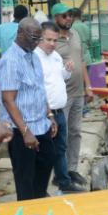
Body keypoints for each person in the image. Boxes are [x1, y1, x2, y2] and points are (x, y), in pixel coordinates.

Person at [0, 18, 58, 201]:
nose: (36, 42)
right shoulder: (10, 61)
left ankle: (38, 206)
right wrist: (25, 132)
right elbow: (8, 100)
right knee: (25, 179)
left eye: (39, 39)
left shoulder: (34, 56)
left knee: (47, 163)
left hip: (41, 125)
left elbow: (40, 89)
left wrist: (50, 115)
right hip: (21, 130)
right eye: (33, 38)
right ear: (20, 34)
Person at [34, 21, 86, 193]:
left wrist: (67, 70)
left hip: (59, 111)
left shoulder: (55, 56)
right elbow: (37, 88)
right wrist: (48, 114)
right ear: (39, 38)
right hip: (45, 113)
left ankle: (64, 182)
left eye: (55, 40)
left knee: (60, 149)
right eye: (48, 40)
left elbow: (60, 77)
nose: (52, 44)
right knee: (45, 153)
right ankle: (40, 189)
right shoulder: (35, 58)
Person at [52, 3, 94, 185]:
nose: (68, 18)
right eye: (64, 16)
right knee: (61, 135)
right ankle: (59, 174)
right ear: (55, 18)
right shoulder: (51, 40)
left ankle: (72, 169)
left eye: (70, 15)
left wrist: (88, 86)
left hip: (78, 93)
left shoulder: (75, 34)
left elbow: (82, 61)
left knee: (75, 132)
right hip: (61, 96)